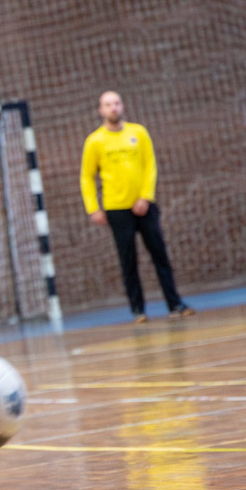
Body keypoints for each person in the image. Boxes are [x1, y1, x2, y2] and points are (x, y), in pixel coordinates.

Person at [80, 91, 193, 323]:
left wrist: (145, 197)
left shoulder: (138, 133)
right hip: (116, 209)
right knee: (128, 260)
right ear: (101, 110)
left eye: (116, 103)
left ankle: (175, 303)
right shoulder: (95, 141)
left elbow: (150, 165)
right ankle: (138, 310)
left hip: (144, 206)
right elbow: (86, 177)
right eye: (108, 104)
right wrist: (93, 208)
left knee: (160, 254)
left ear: (122, 106)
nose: (113, 108)